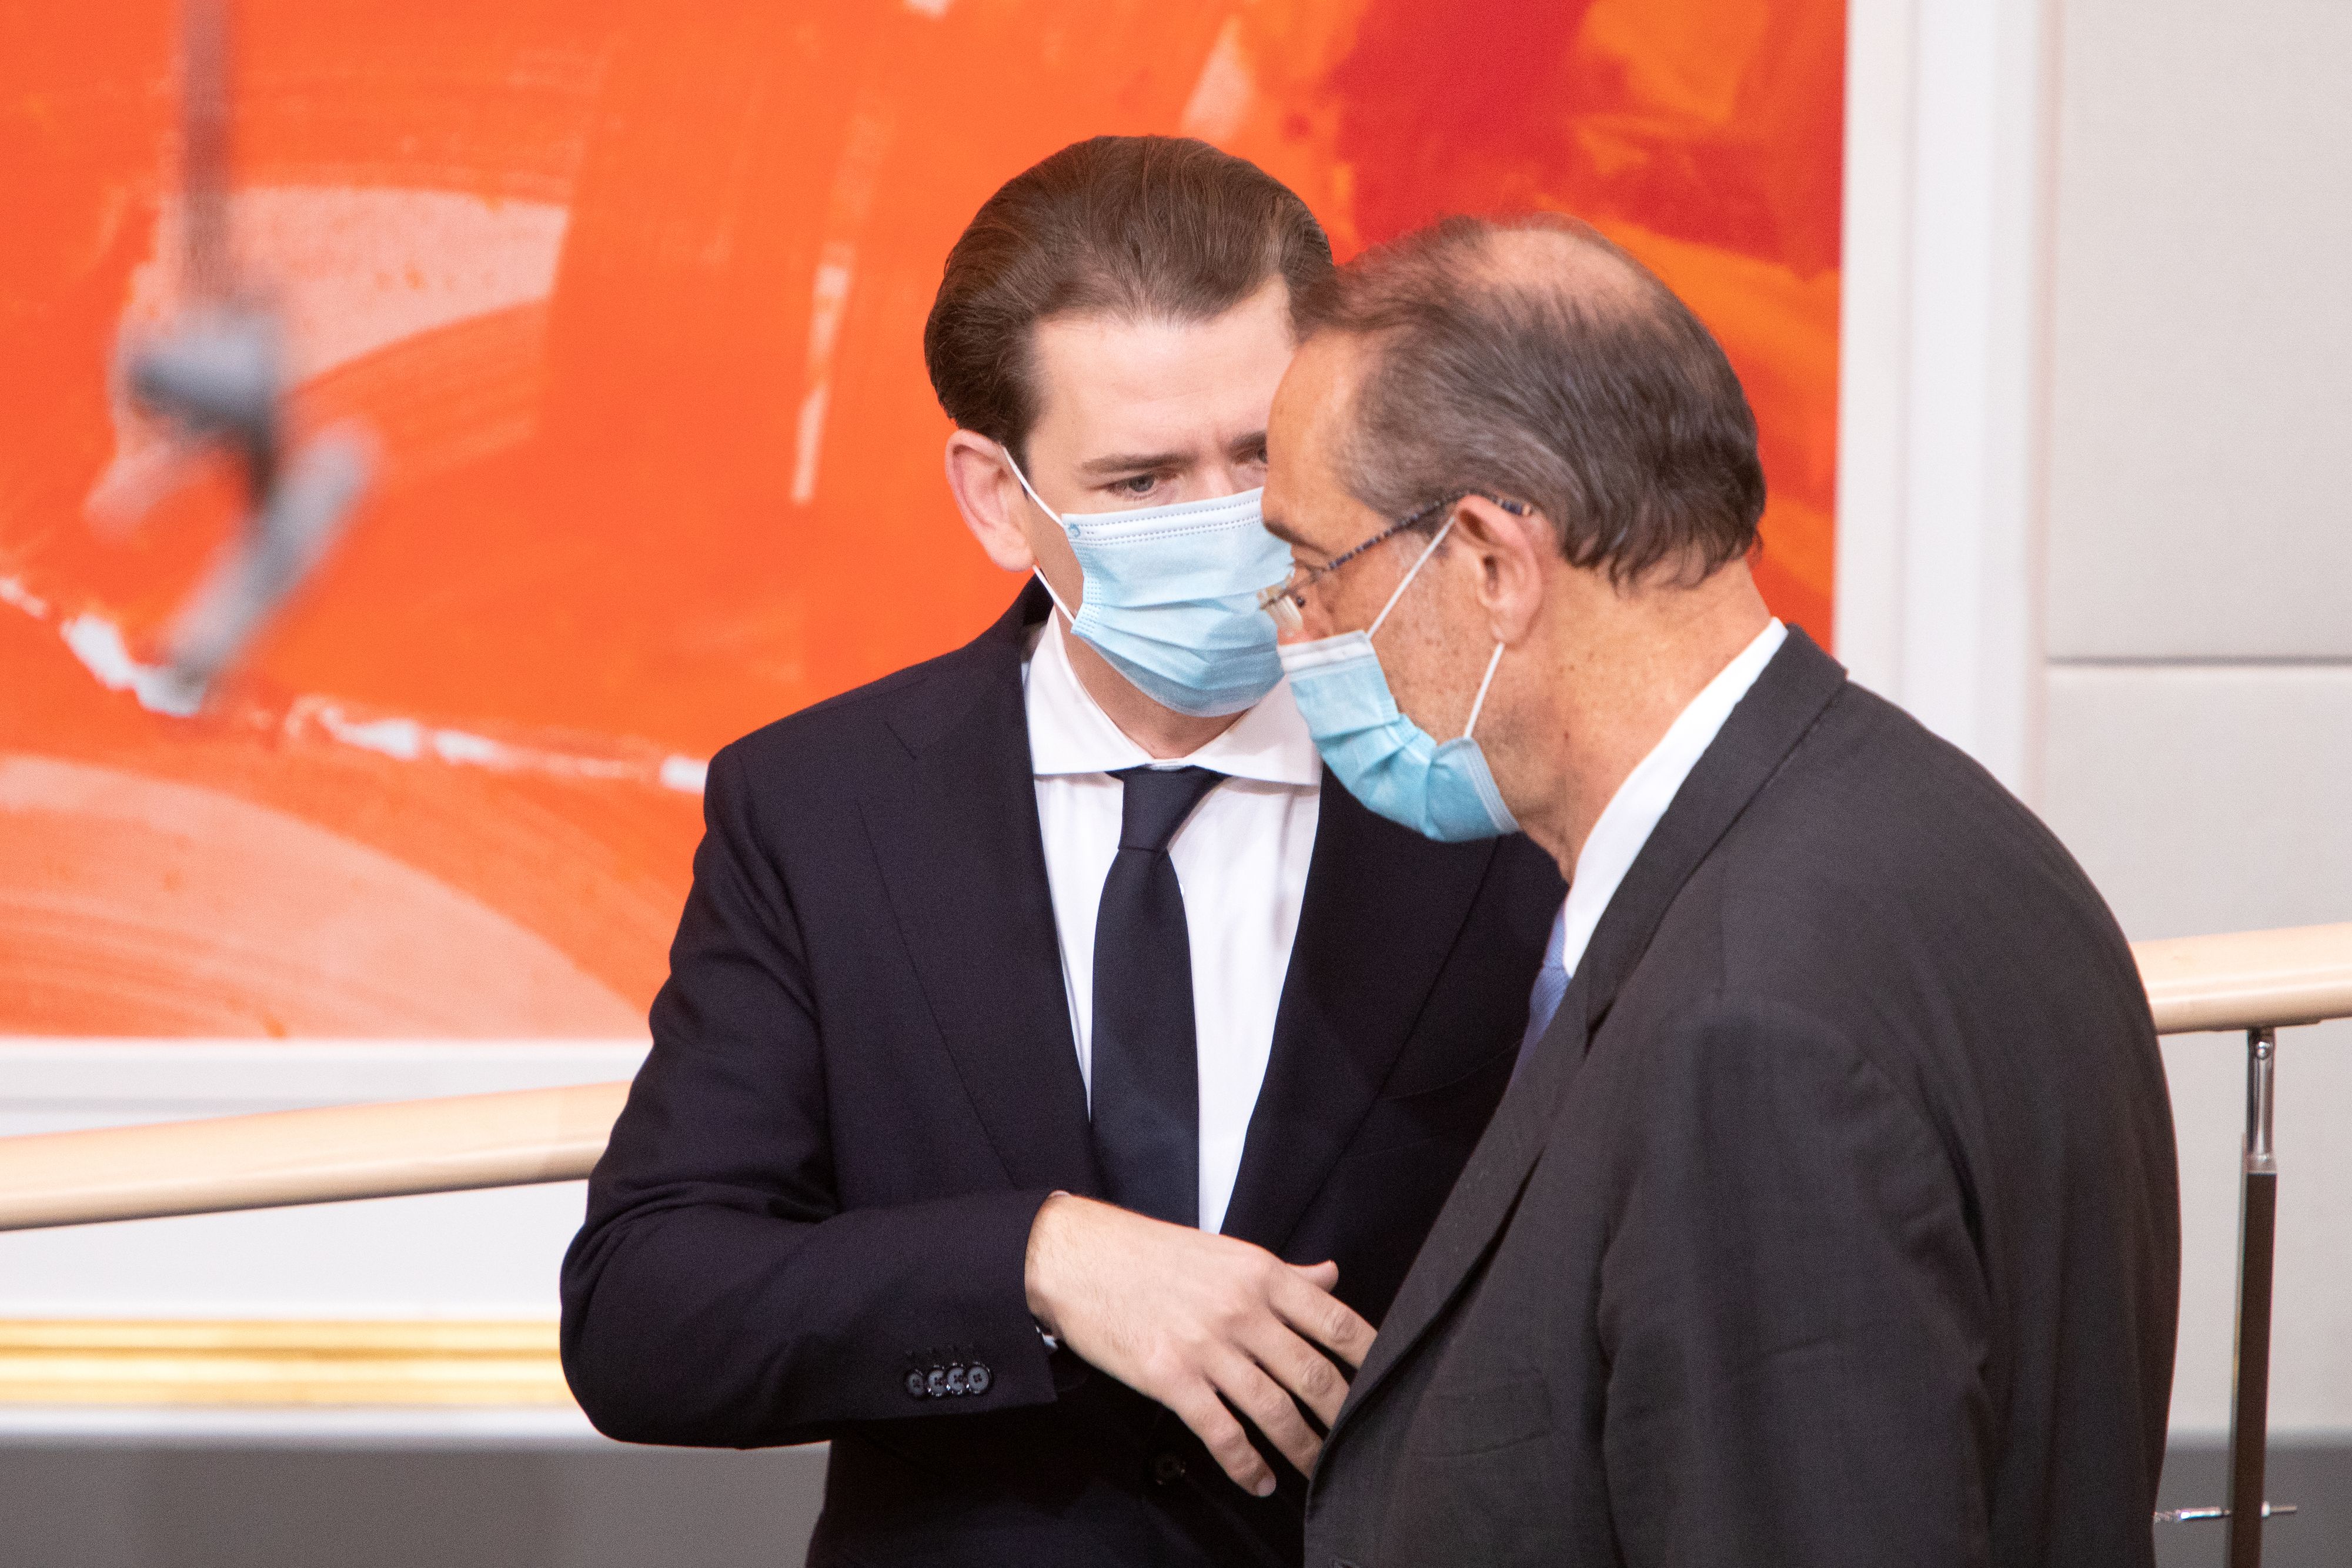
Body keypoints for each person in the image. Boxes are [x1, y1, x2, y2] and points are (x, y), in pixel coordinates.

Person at [558, 139, 1562, 1567]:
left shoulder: (1506, 775)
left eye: (1259, 453)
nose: (1224, 520)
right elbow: (646, 1308)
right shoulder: (823, 807)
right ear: (994, 495)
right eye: (1141, 479)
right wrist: (1035, 1256)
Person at [1258, 215, 2180, 1567]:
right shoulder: (1944, 834)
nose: (1296, 634)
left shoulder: (1747, 1030)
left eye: (1310, 575)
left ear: (1489, 563)